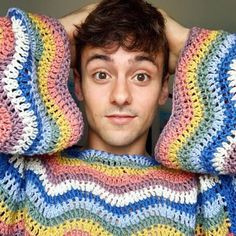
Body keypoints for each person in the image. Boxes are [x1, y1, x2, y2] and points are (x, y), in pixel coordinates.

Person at [0, 0, 235, 235]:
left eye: (141, 76)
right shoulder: (23, 176)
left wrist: (187, 43)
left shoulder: (206, 193)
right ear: (79, 83)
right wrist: (52, 37)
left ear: (164, 87)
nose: (120, 96)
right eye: (101, 74)